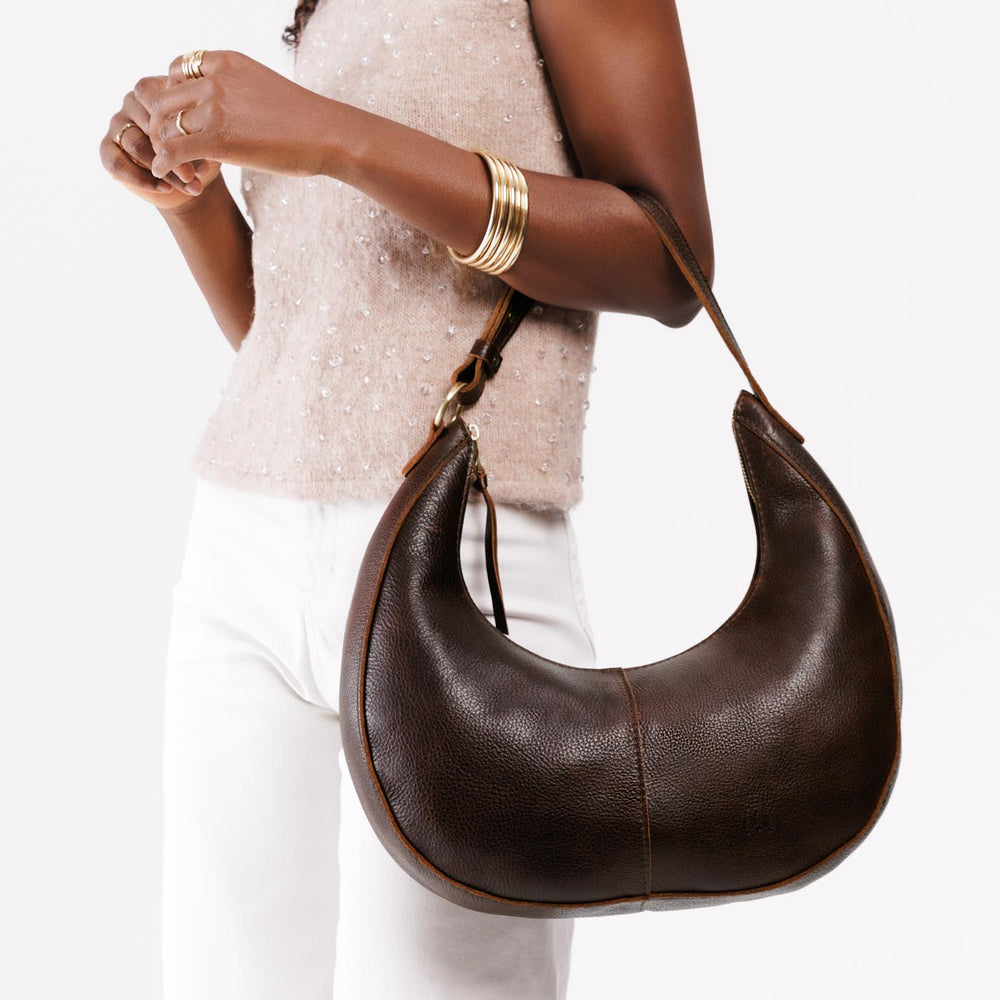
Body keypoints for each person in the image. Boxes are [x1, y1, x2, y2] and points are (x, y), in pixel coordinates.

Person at [98, 1, 713, 997]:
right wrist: (191, 202)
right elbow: (305, 337)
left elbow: (668, 258)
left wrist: (333, 137)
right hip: (241, 559)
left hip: (461, 561)